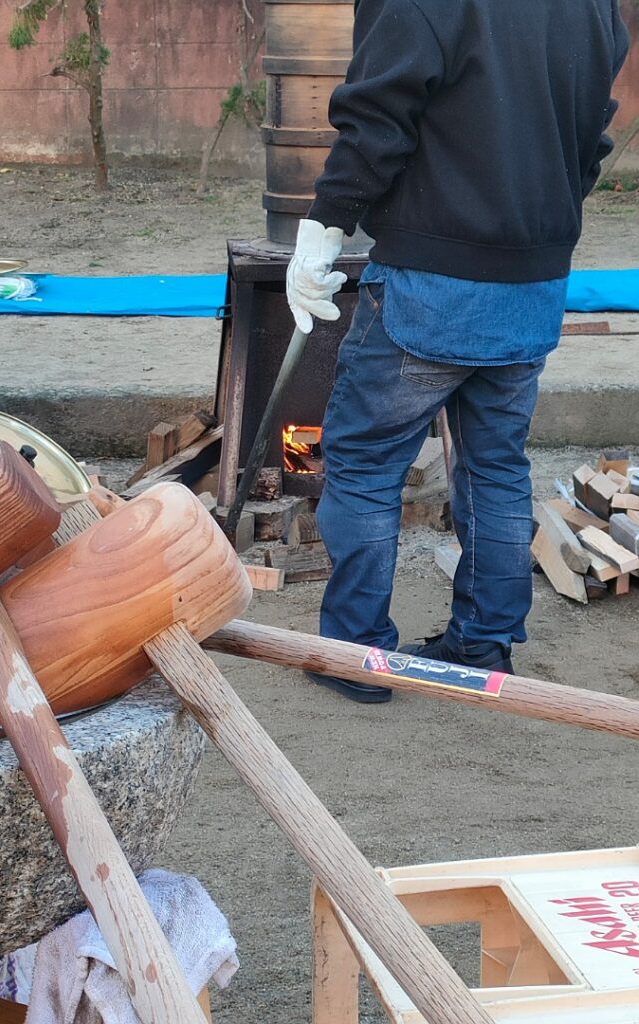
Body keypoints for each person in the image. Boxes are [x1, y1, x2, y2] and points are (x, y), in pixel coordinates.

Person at [286, 0, 629, 703]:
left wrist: (325, 223)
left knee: (363, 463)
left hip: (429, 282)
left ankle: (355, 656)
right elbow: (592, 136)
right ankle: (482, 644)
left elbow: (378, 116)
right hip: (534, 280)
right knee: (496, 467)